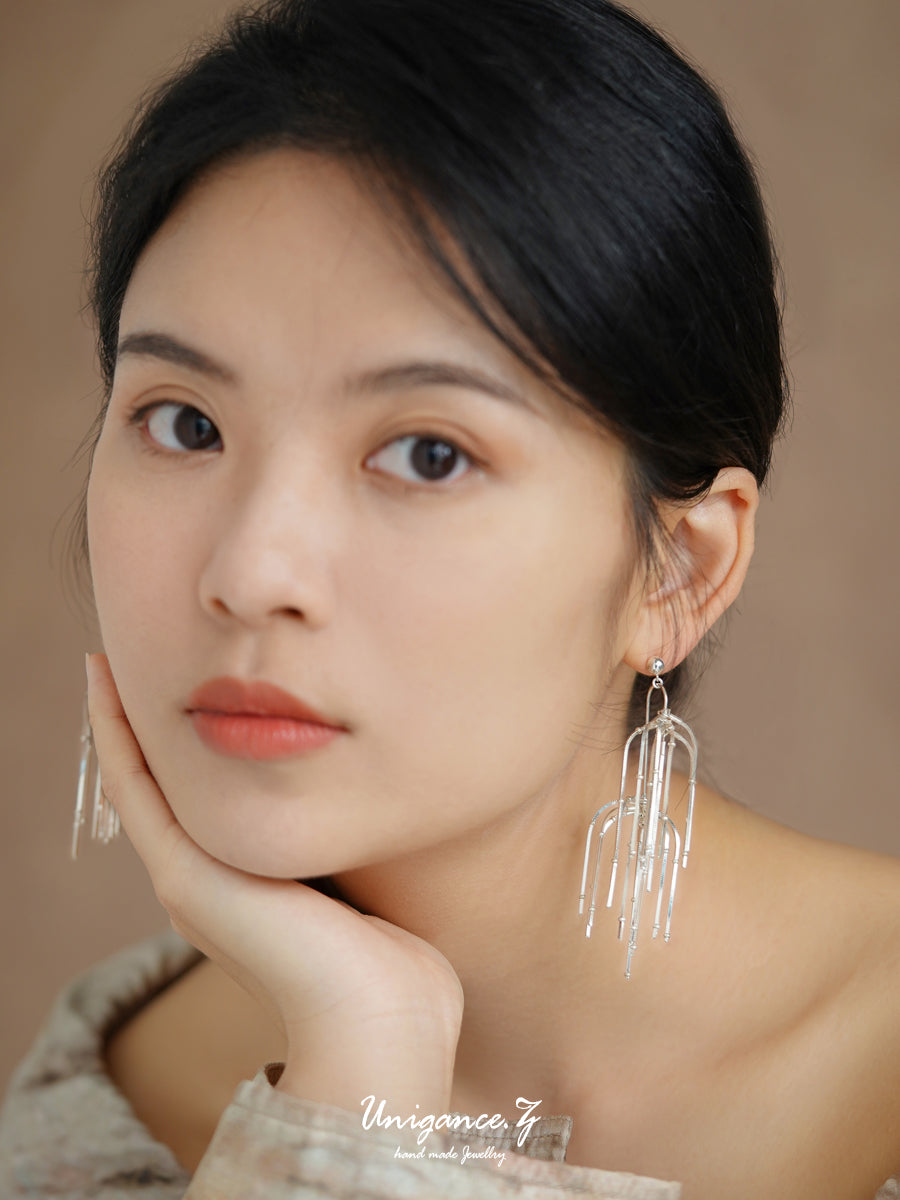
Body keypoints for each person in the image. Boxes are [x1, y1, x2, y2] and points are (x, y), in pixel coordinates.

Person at [2, 0, 899, 1196]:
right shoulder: (100, 1101)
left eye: (428, 453)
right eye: (186, 423)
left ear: (676, 571)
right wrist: (353, 1075)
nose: (250, 572)